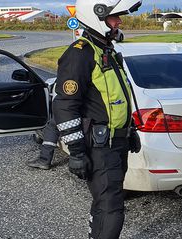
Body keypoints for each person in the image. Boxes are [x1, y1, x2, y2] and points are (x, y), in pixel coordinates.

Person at [52, 0, 143, 239]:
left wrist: (129, 130)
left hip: (115, 144)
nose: (120, 22)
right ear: (98, 15)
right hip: (97, 147)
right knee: (110, 209)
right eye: (115, 16)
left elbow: (116, 97)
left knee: (108, 206)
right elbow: (64, 106)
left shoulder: (105, 50)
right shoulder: (79, 55)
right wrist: (76, 151)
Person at [26, 30, 126, 171]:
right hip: (104, 127)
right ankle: (46, 158)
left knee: (53, 125)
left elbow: (66, 104)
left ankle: (44, 159)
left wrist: (77, 153)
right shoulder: (104, 55)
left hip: (89, 118)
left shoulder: (89, 54)